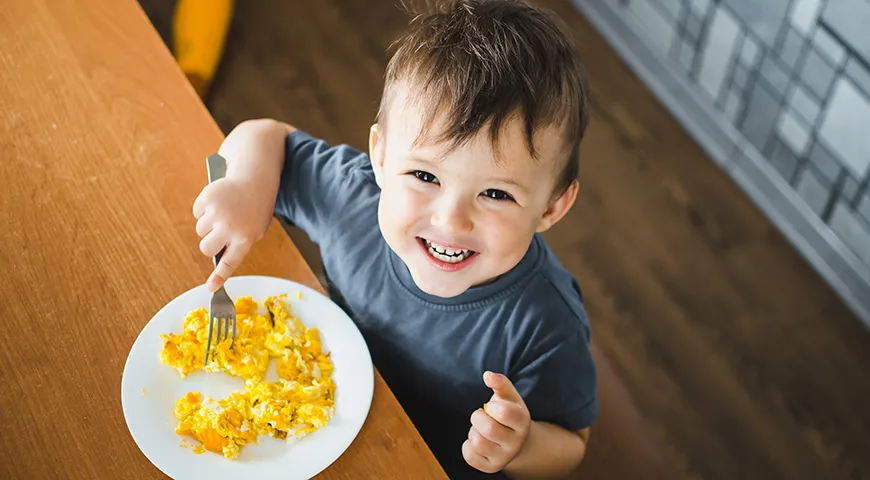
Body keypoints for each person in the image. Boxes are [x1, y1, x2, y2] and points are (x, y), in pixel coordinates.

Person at [192, 1, 597, 478]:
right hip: (311, 425)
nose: (451, 220)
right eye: (425, 175)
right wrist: (244, 185)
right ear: (380, 157)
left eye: (494, 193)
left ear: (551, 207)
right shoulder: (353, 199)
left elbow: (572, 443)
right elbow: (266, 136)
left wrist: (522, 444)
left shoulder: (546, 324)